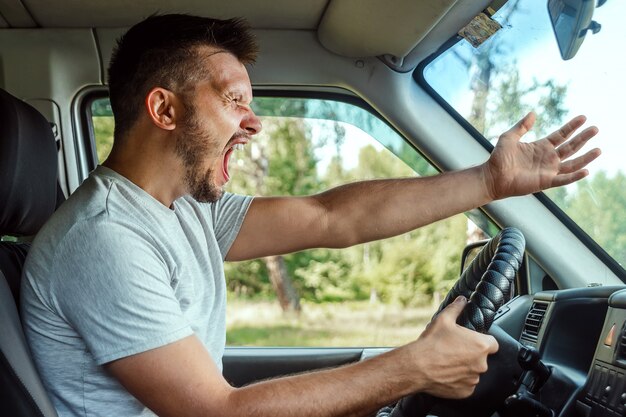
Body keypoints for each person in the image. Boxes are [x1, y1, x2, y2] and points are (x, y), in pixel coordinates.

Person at [21, 14, 600, 417]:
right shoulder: (103, 239)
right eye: (233, 101)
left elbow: (332, 218)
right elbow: (216, 410)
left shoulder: (180, 211)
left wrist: (488, 182)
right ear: (163, 109)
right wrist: (413, 369)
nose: (253, 123)